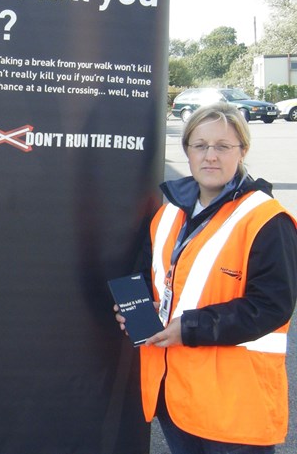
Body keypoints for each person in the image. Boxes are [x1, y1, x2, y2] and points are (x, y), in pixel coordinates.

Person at [115, 102, 297, 454]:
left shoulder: (266, 219)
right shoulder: (168, 213)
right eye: (200, 146)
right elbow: (159, 281)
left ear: (242, 150)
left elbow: (271, 307)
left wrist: (189, 327)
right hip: (175, 396)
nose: (210, 156)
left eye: (223, 146)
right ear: (186, 151)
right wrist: (137, 310)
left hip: (234, 407)